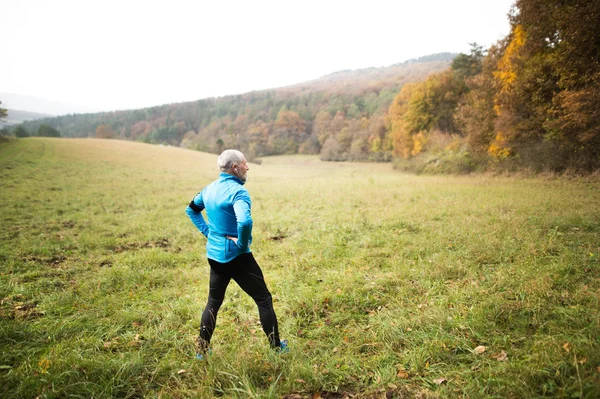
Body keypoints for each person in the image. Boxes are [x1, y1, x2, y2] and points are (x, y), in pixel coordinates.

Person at [186, 149, 286, 358]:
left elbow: (191, 210)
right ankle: (277, 349)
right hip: (237, 257)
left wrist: (208, 232)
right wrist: (241, 243)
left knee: (213, 302)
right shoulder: (238, 192)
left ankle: (202, 352)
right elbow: (245, 220)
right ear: (234, 168)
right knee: (264, 299)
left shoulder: (208, 189)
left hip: (214, 256)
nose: (247, 167)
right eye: (244, 163)